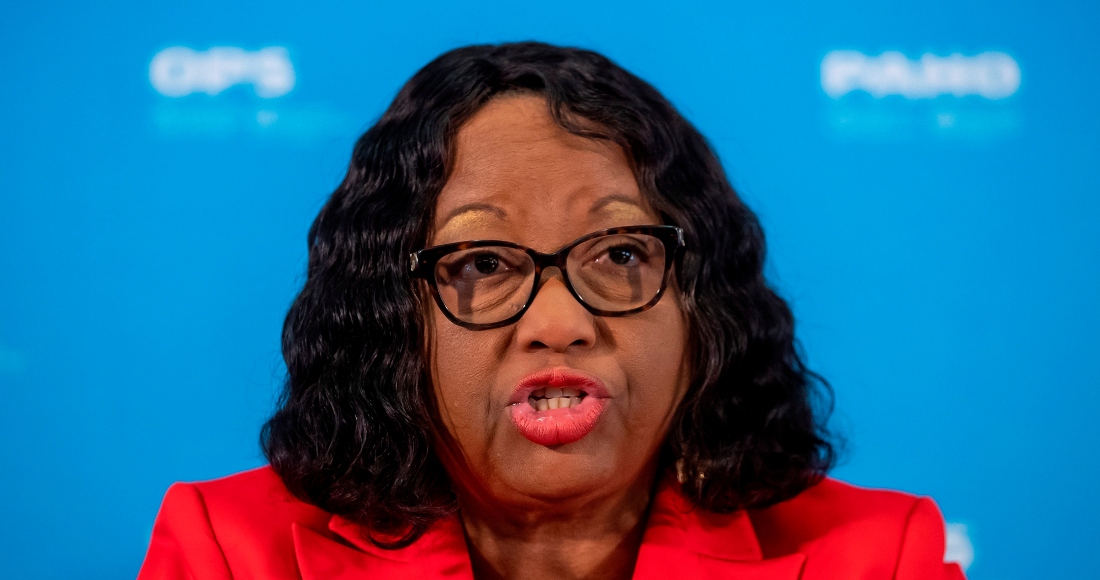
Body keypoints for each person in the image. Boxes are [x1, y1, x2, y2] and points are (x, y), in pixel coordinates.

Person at [138, 42, 966, 580]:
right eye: (482, 263)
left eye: (621, 254)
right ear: (392, 317)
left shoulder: (880, 555)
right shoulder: (229, 551)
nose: (560, 322)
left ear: (701, 305)